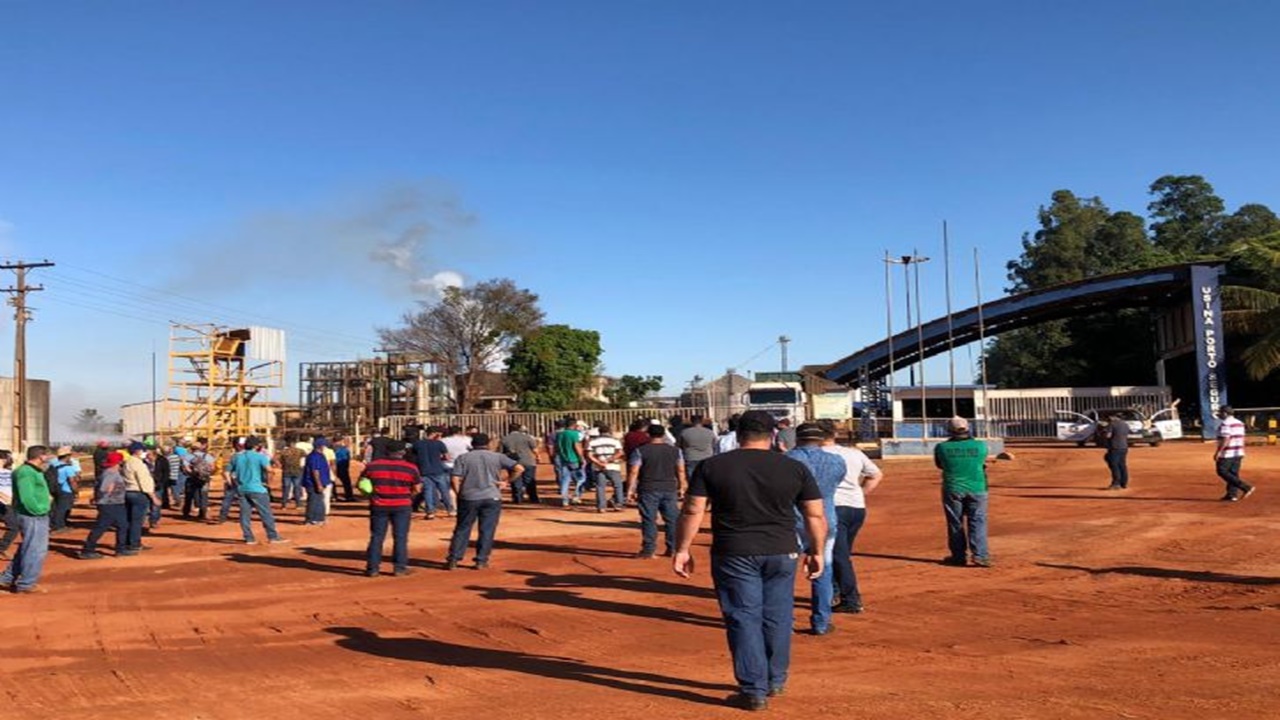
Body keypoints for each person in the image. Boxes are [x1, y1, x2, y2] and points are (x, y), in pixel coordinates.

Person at [672, 411, 826, 711]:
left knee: (743, 616)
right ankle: (775, 679)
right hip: (783, 550)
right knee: (778, 616)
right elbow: (814, 514)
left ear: (738, 434)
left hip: (734, 551)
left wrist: (682, 548)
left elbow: (693, 510)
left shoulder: (712, 466)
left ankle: (753, 688)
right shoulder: (794, 468)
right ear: (773, 435)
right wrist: (816, 551)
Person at [786, 423, 847, 636]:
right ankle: (821, 621)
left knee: (786, 572)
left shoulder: (786, 460)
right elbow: (836, 483)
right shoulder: (836, 460)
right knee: (823, 568)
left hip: (793, 519)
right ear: (821, 439)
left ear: (797, 438)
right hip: (824, 518)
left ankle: (785, 622)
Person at [821, 423, 883, 614]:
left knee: (838, 555)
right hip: (856, 508)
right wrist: (861, 493)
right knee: (839, 553)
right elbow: (876, 475)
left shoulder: (817, 455)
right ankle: (836, 591)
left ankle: (851, 599)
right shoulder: (854, 453)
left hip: (834, 507)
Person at [445, 433, 522, 570]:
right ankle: (481, 560)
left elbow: (455, 478)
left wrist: (459, 493)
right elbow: (519, 468)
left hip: (469, 497)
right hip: (492, 496)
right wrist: (506, 482)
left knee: (463, 528)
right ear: (488, 444)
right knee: (487, 529)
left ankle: (454, 558)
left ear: (472, 444)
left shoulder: (463, 458)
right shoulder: (497, 457)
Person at [935, 417, 991, 567]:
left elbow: (940, 465)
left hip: (953, 488)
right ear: (967, 428)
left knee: (955, 523)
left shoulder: (941, 447)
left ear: (949, 430)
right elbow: (982, 463)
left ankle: (958, 556)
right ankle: (981, 556)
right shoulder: (980, 446)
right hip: (978, 488)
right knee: (978, 521)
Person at [360, 440, 421, 577]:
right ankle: (399, 568)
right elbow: (417, 488)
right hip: (402, 505)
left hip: (379, 504)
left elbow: (362, 483)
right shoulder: (411, 468)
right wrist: (408, 496)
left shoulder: (373, 466)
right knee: (400, 537)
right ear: (403, 452)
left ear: (386, 451)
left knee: (377, 537)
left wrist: (370, 494)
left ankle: (372, 568)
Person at [0, 445, 54, 593]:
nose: (49, 458)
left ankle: (7, 578)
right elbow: (27, 497)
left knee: (28, 547)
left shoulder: (31, 471)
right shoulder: (26, 472)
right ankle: (26, 584)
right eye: (48, 456)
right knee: (36, 550)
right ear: (41, 456)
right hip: (33, 516)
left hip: (33, 515)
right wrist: (39, 510)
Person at [627, 424, 686, 558]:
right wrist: (682, 486)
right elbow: (680, 470)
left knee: (649, 519)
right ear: (664, 435)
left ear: (648, 434)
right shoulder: (675, 450)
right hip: (669, 488)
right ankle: (673, 548)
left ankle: (649, 549)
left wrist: (630, 489)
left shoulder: (640, 451)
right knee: (672, 519)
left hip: (648, 488)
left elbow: (634, 471)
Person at [229, 437, 287, 545]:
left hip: (242, 488)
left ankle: (249, 538)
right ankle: (272, 536)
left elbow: (227, 473)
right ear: (256, 446)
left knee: (244, 514)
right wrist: (268, 484)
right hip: (258, 488)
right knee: (266, 513)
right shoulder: (260, 457)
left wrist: (234, 484)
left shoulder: (235, 457)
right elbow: (270, 471)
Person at [78, 451, 130, 559]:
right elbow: (103, 488)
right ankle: (87, 550)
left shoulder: (111, 472)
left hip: (116, 503)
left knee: (123, 525)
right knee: (101, 527)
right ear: (118, 462)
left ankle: (120, 549)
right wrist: (108, 490)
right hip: (109, 504)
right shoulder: (111, 473)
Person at [120, 442, 159, 553]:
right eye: (143, 450)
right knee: (137, 521)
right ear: (138, 451)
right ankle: (134, 543)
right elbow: (144, 482)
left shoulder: (127, 462)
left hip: (128, 492)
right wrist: (153, 497)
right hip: (138, 493)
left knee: (129, 519)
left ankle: (127, 542)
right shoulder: (138, 464)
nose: (144, 452)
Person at [1215, 406, 1256, 501]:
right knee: (1233, 473)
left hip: (1228, 452)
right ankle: (1232, 495)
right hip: (1238, 451)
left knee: (1221, 471)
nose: (1219, 414)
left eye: (1220, 412)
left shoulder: (1225, 424)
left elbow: (1226, 438)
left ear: (1225, 413)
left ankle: (1246, 487)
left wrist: (1219, 452)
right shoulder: (1240, 423)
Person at [412, 426, 453, 519]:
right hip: (438, 470)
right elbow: (447, 457)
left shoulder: (417, 444)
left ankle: (430, 512)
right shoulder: (439, 443)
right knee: (444, 491)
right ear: (435, 433)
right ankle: (450, 510)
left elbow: (414, 456)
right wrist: (440, 458)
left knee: (428, 491)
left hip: (424, 470)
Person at [586, 424, 624, 513]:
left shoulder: (593, 442)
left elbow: (589, 455)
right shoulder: (615, 441)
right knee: (617, 485)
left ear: (599, 432)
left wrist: (598, 462)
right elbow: (620, 452)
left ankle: (601, 507)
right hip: (613, 466)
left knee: (600, 487)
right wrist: (609, 460)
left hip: (598, 467)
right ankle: (618, 504)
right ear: (609, 431)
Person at [501, 423, 540, 505]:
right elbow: (534, 449)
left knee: (515, 480)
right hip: (528, 461)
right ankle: (533, 498)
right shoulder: (527, 437)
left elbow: (502, 452)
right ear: (519, 429)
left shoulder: (505, 439)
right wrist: (537, 456)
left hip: (513, 462)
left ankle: (518, 498)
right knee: (530, 480)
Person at [554, 418, 587, 507]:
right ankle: (576, 495)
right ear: (574, 425)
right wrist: (581, 458)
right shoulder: (574, 434)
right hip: (574, 458)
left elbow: (557, 447)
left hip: (563, 459)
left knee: (565, 479)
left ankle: (565, 499)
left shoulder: (560, 434)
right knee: (581, 478)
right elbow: (577, 446)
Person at [302, 438, 333, 526]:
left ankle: (319, 518)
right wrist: (318, 484)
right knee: (314, 500)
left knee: (319, 500)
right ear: (320, 446)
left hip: (321, 481)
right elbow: (315, 471)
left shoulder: (320, 455)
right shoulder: (314, 456)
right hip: (313, 483)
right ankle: (311, 519)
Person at [182, 440, 215, 520]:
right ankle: (203, 513)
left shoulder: (187, 456)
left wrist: (193, 473)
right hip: (204, 478)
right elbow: (212, 467)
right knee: (204, 495)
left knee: (189, 496)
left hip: (191, 478)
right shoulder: (208, 456)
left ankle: (186, 513)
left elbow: (186, 468)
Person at [49, 446, 79, 534]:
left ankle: (54, 523)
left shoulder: (53, 464)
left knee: (56, 507)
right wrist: (76, 491)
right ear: (67, 456)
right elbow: (72, 481)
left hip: (56, 489)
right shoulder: (68, 468)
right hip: (66, 490)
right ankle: (59, 526)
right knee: (63, 509)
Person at [679, 415, 717, 481]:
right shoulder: (710, 432)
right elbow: (714, 444)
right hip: (707, 457)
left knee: (692, 478)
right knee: (706, 478)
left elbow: (679, 445)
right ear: (702, 421)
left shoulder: (685, 432)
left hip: (691, 457)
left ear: (691, 421)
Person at [276, 440, 305, 510]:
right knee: (297, 488)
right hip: (297, 471)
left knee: (286, 488)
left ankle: (284, 505)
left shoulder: (284, 451)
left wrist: (280, 465)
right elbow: (304, 459)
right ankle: (298, 504)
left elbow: (275, 459)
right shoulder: (300, 451)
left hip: (287, 472)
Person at [1103, 415, 1130, 490]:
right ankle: (1124, 483)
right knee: (1122, 465)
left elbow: (1108, 435)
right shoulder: (1125, 424)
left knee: (1114, 465)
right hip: (1124, 447)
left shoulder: (1112, 424)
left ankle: (1116, 483)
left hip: (1114, 447)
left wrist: (1104, 431)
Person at [0, 450, 17, 559]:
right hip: (2, 503)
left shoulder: (9, 472)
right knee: (13, 527)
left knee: (14, 527)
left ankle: (2, 548)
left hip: (9, 504)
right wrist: (3, 496)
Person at [334, 436, 354, 502]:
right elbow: (348, 459)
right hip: (343, 467)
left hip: (334, 467)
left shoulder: (332, 448)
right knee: (346, 482)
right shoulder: (344, 449)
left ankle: (333, 496)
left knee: (332, 482)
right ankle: (349, 496)